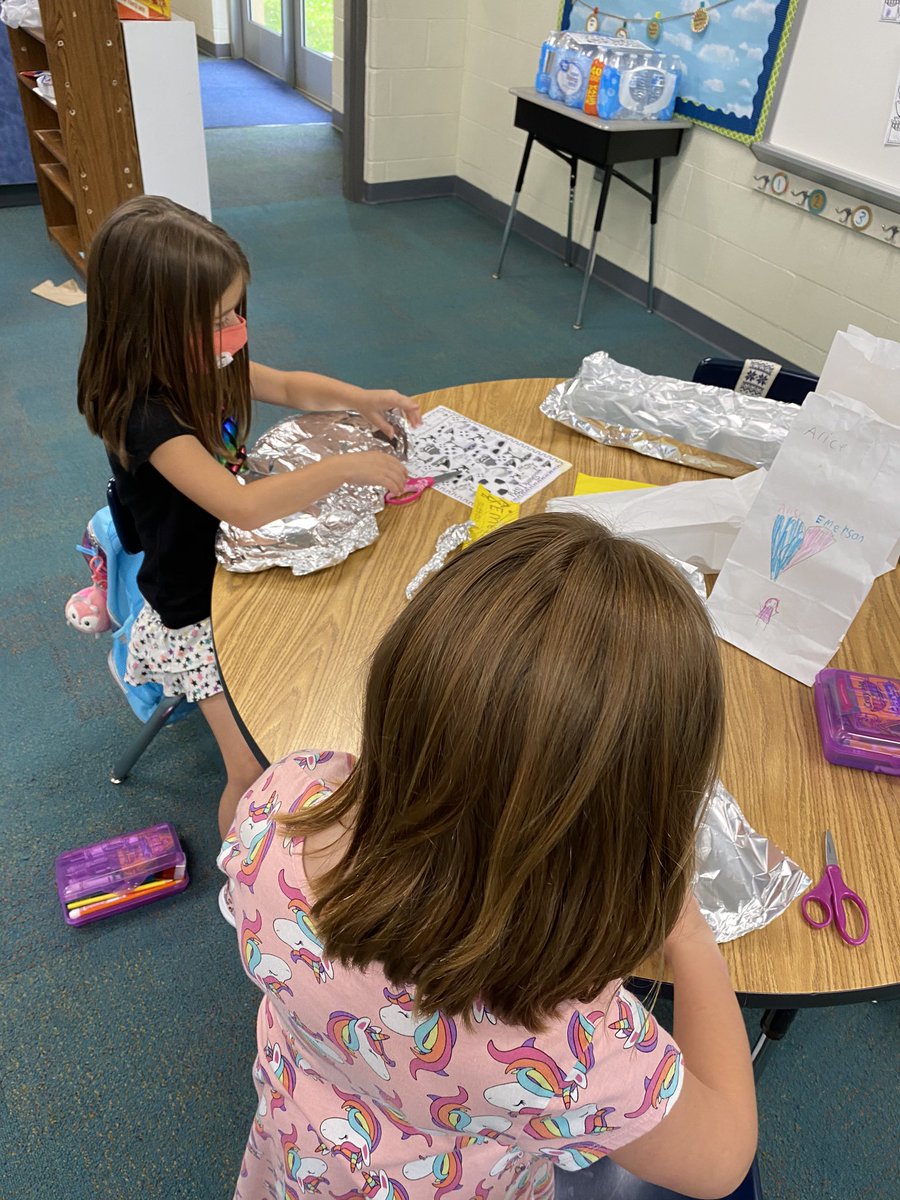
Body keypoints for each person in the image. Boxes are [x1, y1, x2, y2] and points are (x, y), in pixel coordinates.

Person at [219, 513, 757, 1200]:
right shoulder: (561, 1048)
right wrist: (690, 934)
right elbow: (723, 1159)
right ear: (626, 834)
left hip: (298, 1152)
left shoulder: (279, 805)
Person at [77, 196, 418, 850]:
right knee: (250, 770)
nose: (235, 331)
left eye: (238, 310)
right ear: (150, 327)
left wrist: (361, 399)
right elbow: (244, 506)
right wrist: (345, 465)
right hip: (191, 614)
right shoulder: (147, 418)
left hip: (230, 567)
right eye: (216, 319)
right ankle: (247, 884)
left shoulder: (203, 361)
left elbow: (289, 385)